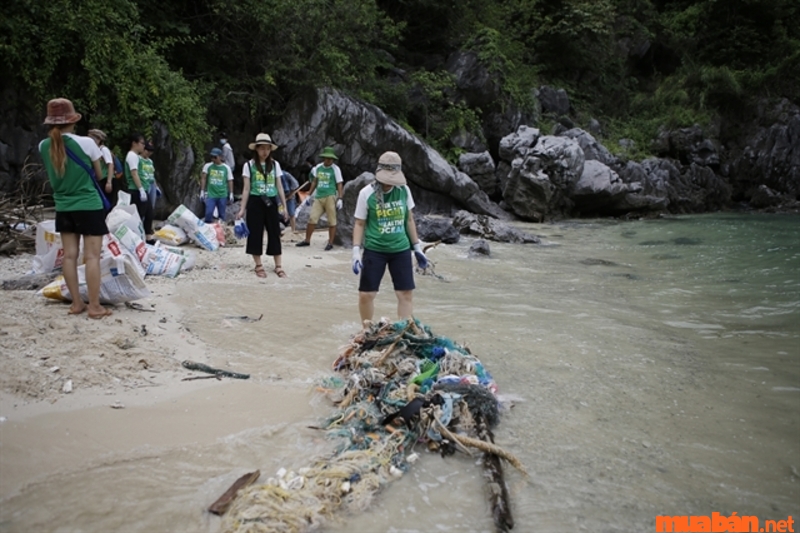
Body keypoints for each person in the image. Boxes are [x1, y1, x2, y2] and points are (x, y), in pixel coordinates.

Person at [38, 98, 112, 319]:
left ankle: (76, 304)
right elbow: (99, 175)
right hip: (88, 205)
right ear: (72, 120)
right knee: (92, 257)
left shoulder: (43, 146)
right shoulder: (87, 143)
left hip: (63, 206)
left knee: (69, 256)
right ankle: (95, 307)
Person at [351, 151, 429, 323]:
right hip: (374, 249)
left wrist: (417, 248)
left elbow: (409, 219)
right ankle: (367, 330)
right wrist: (356, 251)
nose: (388, 184)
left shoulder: (403, 191)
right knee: (366, 294)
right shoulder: (366, 193)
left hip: (400, 249)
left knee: (405, 294)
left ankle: (403, 331)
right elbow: (359, 224)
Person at [236, 133, 289, 279]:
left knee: (274, 232)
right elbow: (246, 188)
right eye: (262, 148)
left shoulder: (275, 165)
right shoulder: (249, 166)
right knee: (255, 233)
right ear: (256, 149)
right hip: (255, 201)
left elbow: (279, 186)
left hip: (271, 201)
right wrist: (242, 209)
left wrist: (284, 207)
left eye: (267, 148)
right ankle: (258, 265)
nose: (265, 152)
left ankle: (278, 266)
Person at [296, 146, 343, 250]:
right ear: (324, 158)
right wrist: (309, 194)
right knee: (312, 218)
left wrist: (340, 198)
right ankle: (307, 240)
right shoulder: (318, 167)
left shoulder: (335, 169)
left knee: (331, 220)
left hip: (330, 195)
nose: (328, 160)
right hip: (319, 196)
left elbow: (339, 184)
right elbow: (314, 181)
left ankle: (330, 242)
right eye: (327, 158)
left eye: (330, 159)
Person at [123, 133, 154, 243]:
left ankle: (148, 236)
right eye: (142, 143)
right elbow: (134, 173)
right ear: (134, 143)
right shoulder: (132, 156)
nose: (143, 146)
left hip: (143, 188)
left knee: (149, 213)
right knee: (139, 215)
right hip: (135, 189)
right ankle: (136, 238)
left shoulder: (136, 156)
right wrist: (140, 189)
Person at [200, 147, 234, 223]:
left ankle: (222, 229)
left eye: (215, 157)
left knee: (222, 214)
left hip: (222, 194)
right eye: (212, 157)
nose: (213, 159)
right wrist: (202, 191)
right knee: (208, 213)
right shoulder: (208, 166)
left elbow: (230, 180)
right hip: (211, 194)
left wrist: (231, 193)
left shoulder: (226, 168)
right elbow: (203, 178)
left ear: (220, 157)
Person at [86, 129, 114, 199]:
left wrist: (109, 182)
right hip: (99, 180)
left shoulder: (103, 150)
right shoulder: (95, 150)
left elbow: (110, 164)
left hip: (106, 179)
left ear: (98, 140)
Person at [139, 141, 158, 221]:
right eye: (147, 150)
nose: (149, 153)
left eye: (151, 151)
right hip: (144, 184)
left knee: (151, 206)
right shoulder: (138, 159)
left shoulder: (150, 161)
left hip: (151, 184)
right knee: (143, 206)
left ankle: (148, 225)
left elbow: (152, 174)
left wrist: (156, 186)